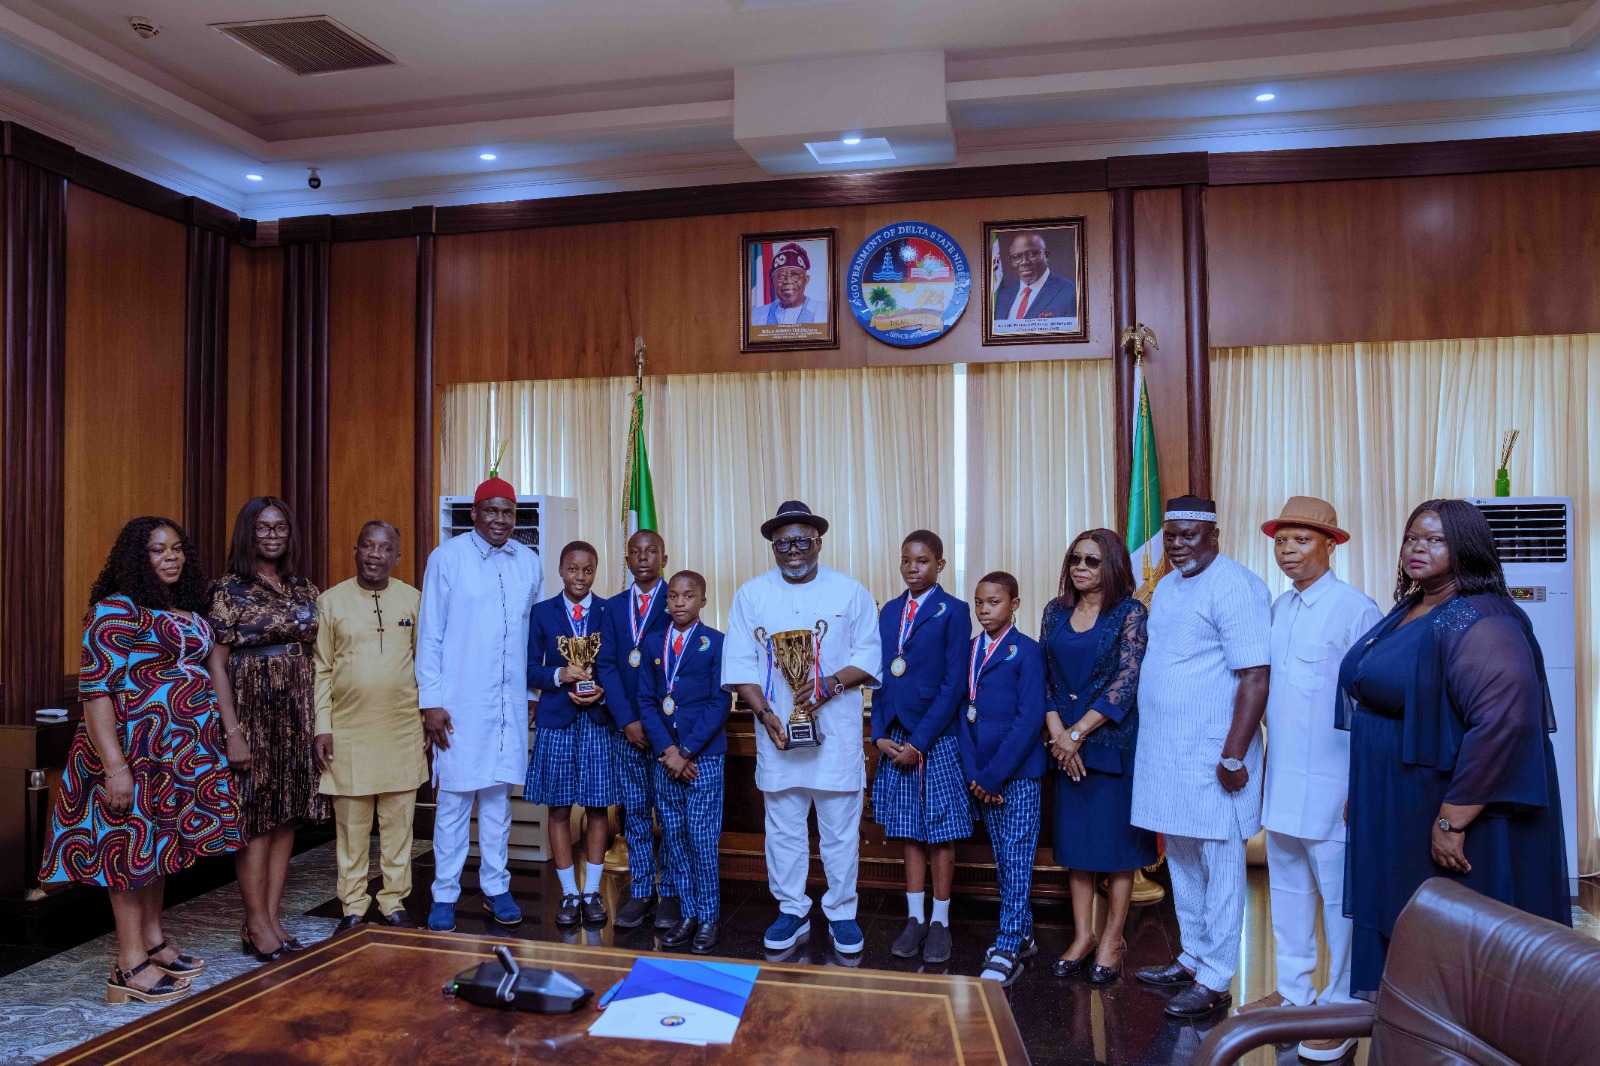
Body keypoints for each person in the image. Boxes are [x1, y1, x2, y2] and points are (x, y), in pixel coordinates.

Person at [1338, 499, 1570, 1002]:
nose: (1417, 548)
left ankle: (1458, 1033)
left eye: (1435, 539)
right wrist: (1365, 792)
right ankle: (1408, 1027)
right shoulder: (1415, 606)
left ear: (1466, 548)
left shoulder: (1481, 618)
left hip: (1443, 804)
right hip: (1397, 796)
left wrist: (1451, 821)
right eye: (1411, 537)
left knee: (1454, 938)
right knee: (1409, 927)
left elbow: (1504, 722)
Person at [39, 517, 247, 1003]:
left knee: (157, 849)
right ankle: (128, 966)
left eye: (176, 548)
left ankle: (152, 941)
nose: (170, 557)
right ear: (137, 558)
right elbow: (96, 692)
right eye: (157, 550)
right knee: (129, 852)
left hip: (177, 756)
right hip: (133, 753)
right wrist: (115, 767)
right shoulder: (115, 609)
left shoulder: (183, 608)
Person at [1240, 497, 1380, 1061]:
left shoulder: (1356, 610)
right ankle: (1294, 992)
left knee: (1339, 898)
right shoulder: (1278, 608)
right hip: (1283, 779)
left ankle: (1341, 1004)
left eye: (1301, 540)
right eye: (1281, 541)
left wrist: (1360, 784)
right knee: (1288, 889)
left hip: (1335, 781)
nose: (1288, 551)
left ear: (1330, 545)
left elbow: (1371, 705)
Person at [1131, 495, 1271, 1018]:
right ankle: (1192, 956)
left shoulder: (1235, 586)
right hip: (1169, 753)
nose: (1177, 545)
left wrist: (1234, 755)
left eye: (1189, 535)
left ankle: (1215, 978)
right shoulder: (1167, 587)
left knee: (1221, 863)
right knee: (1184, 857)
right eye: (1171, 535)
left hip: (1215, 754)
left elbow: (1256, 675)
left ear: (1214, 535)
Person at [722, 500, 881, 956]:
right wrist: (765, 714)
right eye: (783, 544)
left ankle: (842, 913)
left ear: (819, 543)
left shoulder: (849, 591)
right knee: (784, 831)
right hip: (779, 736)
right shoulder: (751, 595)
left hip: (836, 736)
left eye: (802, 541)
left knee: (840, 833)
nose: (793, 551)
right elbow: (740, 664)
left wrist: (830, 684)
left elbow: (869, 655)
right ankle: (791, 909)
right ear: (773, 547)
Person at [416, 474, 542, 932]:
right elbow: (430, 634)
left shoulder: (529, 562)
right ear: (474, 513)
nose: (500, 520)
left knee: (497, 799)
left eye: (507, 512)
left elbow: (532, 637)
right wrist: (430, 701)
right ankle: (445, 894)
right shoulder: (447, 558)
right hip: (459, 702)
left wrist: (530, 693)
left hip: (508, 704)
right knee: (454, 798)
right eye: (491, 511)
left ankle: (495, 887)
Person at [209, 496, 324, 962]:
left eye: (280, 527)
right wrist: (232, 731)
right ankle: (255, 922)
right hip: (252, 710)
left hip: (297, 712)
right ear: (247, 533)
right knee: (256, 820)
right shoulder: (228, 589)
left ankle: (272, 918)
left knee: (286, 815)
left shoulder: (304, 588)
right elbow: (216, 665)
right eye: (263, 528)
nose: (273, 535)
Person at [1043, 529, 1156, 986]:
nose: (1081, 568)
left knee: (1117, 849)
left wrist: (1076, 733)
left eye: (1092, 560)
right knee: (1076, 847)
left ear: (1111, 565)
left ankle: (1112, 940)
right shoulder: (1055, 611)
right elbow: (1045, 677)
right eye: (1075, 559)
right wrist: (1059, 735)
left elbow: (1126, 682)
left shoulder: (1130, 612)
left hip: (1110, 742)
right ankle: (1082, 936)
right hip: (1064, 744)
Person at [313, 521, 429, 933]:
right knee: (352, 828)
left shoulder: (414, 600)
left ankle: (394, 901)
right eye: (368, 546)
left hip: (402, 729)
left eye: (384, 548)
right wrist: (322, 726)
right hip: (348, 732)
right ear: (355, 551)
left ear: (397, 557)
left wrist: (426, 718)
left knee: (399, 826)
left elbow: (427, 666)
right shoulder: (330, 602)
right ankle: (353, 905)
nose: (375, 554)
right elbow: (321, 669)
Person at [872, 530, 971, 965]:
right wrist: (878, 733)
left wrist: (920, 741)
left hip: (934, 737)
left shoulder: (955, 611)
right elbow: (880, 674)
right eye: (906, 560)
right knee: (908, 830)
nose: (913, 568)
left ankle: (940, 921)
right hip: (894, 734)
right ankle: (914, 918)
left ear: (940, 565)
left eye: (923, 561)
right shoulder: (890, 611)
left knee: (940, 832)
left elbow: (954, 684)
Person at [957, 571, 1046, 987]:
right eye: (978, 602)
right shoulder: (969, 649)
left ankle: (1008, 943)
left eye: (993, 602)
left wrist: (994, 776)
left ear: (1014, 604)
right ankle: (1023, 932)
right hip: (981, 774)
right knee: (1003, 858)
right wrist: (976, 773)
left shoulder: (1028, 651)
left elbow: (1030, 720)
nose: (984, 610)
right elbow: (962, 713)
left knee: (1017, 858)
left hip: (1017, 774)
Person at [637, 571, 728, 954]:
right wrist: (668, 752)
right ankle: (688, 913)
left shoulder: (716, 642)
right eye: (672, 596)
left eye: (688, 596)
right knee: (674, 839)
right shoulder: (653, 642)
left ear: (702, 601)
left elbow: (720, 702)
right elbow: (646, 701)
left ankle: (708, 917)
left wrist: (686, 751)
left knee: (701, 840)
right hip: (665, 759)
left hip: (702, 757)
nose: (678, 602)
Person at [526, 540, 614, 927]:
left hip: (597, 718)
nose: (580, 577)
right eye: (573, 569)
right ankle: (568, 893)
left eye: (588, 570)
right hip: (557, 718)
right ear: (561, 570)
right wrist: (559, 674)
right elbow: (529, 667)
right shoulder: (542, 613)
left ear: (595, 572)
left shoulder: (609, 611)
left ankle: (591, 892)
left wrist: (603, 691)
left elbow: (617, 666)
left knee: (597, 807)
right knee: (559, 808)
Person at [594, 529, 678, 931]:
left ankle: (672, 891)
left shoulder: (678, 599)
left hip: (667, 733)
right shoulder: (612, 608)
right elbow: (606, 666)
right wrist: (627, 720)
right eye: (635, 552)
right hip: (627, 730)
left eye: (651, 551)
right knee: (636, 814)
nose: (643, 558)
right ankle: (642, 890)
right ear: (626, 559)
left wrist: (656, 727)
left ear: (664, 558)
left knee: (671, 816)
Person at [993, 231, 1076, 322]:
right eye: (1017, 257)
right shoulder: (1003, 296)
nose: (1024, 262)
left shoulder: (1070, 293)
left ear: (1046, 255)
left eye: (1032, 254)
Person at [752, 243, 824, 325]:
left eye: (795, 275)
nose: (788, 280)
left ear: (806, 280)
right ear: (772, 282)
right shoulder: (755, 316)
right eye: (781, 276)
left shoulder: (826, 312)